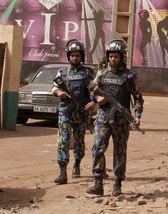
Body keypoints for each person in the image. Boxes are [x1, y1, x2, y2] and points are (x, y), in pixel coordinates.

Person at [86, 39, 144, 196]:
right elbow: (92, 90)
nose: (113, 59)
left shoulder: (129, 76)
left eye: (116, 57)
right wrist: (97, 100)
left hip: (121, 120)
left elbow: (138, 98)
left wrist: (137, 116)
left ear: (122, 57)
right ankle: (98, 182)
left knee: (120, 152)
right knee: (98, 148)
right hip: (103, 118)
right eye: (111, 56)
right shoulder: (102, 73)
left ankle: (117, 183)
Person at [52, 39, 96, 184]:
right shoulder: (62, 72)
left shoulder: (88, 72)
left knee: (79, 143)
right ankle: (63, 171)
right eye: (72, 55)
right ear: (68, 56)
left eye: (77, 55)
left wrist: (93, 102)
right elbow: (54, 87)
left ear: (81, 56)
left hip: (81, 113)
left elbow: (95, 90)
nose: (74, 58)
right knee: (63, 141)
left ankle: (77, 163)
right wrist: (59, 93)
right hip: (66, 111)